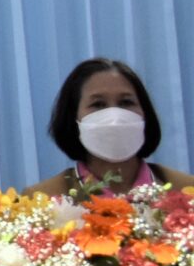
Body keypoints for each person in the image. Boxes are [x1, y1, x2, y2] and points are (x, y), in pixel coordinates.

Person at [24, 58, 193, 199]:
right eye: (98, 104)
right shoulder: (43, 199)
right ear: (73, 118)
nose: (115, 118)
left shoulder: (187, 190)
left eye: (126, 102)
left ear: (145, 114)